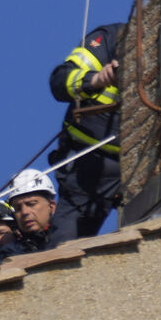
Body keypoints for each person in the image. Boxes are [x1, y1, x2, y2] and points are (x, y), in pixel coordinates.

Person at [49, 22, 124, 243]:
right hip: (86, 165)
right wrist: (96, 79)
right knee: (63, 250)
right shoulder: (112, 39)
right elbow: (60, 80)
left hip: (138, 164)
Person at [0, 169, 59, 265]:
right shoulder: (8, 255)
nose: (24, 212)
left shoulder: (72, 232)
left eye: (31, 204)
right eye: (17, 208)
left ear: (51, 207)